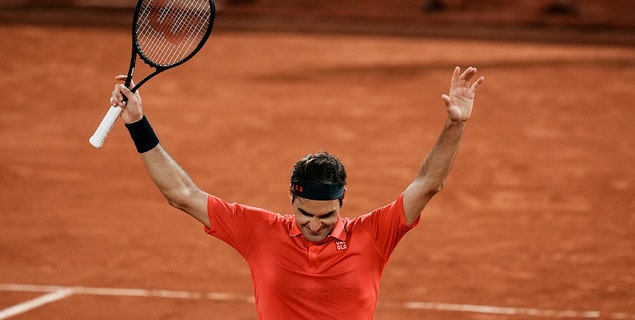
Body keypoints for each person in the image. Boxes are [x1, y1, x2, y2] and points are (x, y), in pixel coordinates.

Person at [109, 66, 484, 319]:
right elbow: (181, 193)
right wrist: (138, 123)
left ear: (343, 202)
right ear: (291, 200)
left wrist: (455, 124)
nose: (315, 225)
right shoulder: (260, 231)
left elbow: (428, 184)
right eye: (306, 214)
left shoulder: (372, 235)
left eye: (326, 216)